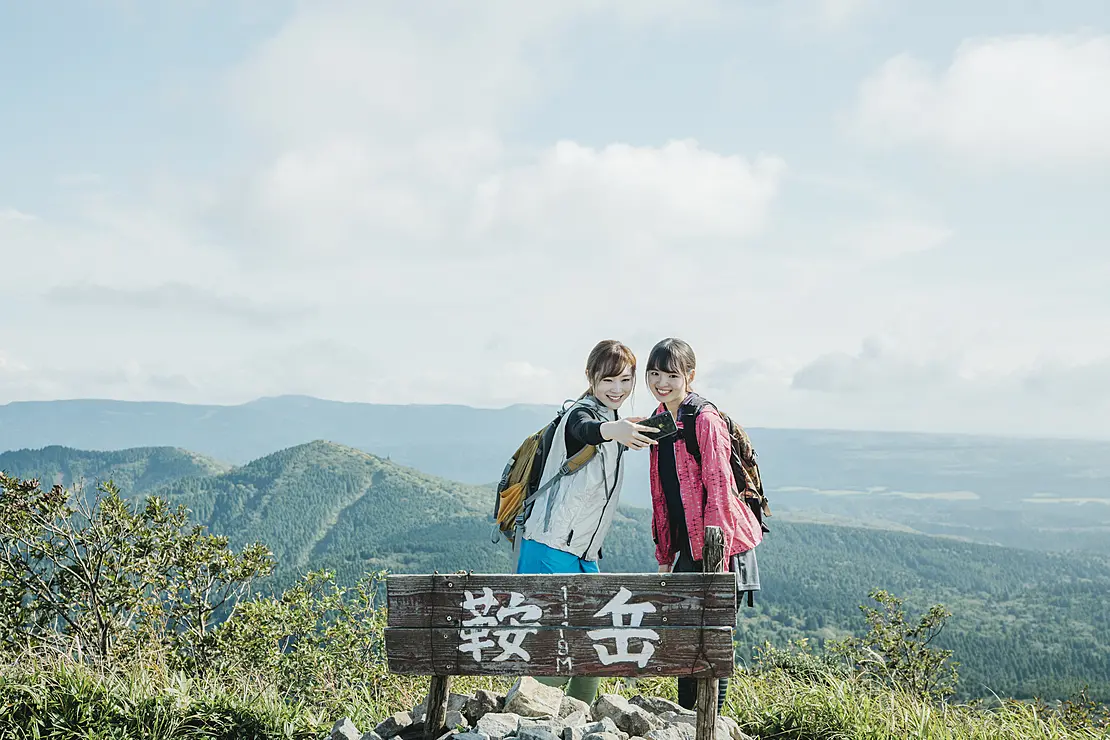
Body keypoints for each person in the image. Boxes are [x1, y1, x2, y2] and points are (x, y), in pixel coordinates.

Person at [516, 339, 658, 703]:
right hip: (549, 544)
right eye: (608, 380)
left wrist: (624, 429)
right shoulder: (578, 414)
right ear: (590, 377)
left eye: (625, 381)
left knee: (593, 633)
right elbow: (585, 430)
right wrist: (614, 432)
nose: (618, 389)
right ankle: (532, 715)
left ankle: (583, 714)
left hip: (582, 550)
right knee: (549, 638)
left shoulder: (613, 420)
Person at [645, 337, 763, 712]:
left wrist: (716, 559)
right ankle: (684, 720)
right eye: (655, 373)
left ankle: (711, 724)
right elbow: (661, 495)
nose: (662, 382)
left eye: (671, 374)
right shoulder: (660, 420)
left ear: (690, 376)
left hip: (724, 548)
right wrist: (666, 553)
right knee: (684, 638)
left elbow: (719, 486)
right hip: (689, 549)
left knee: (713, 639)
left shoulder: (705, 419)